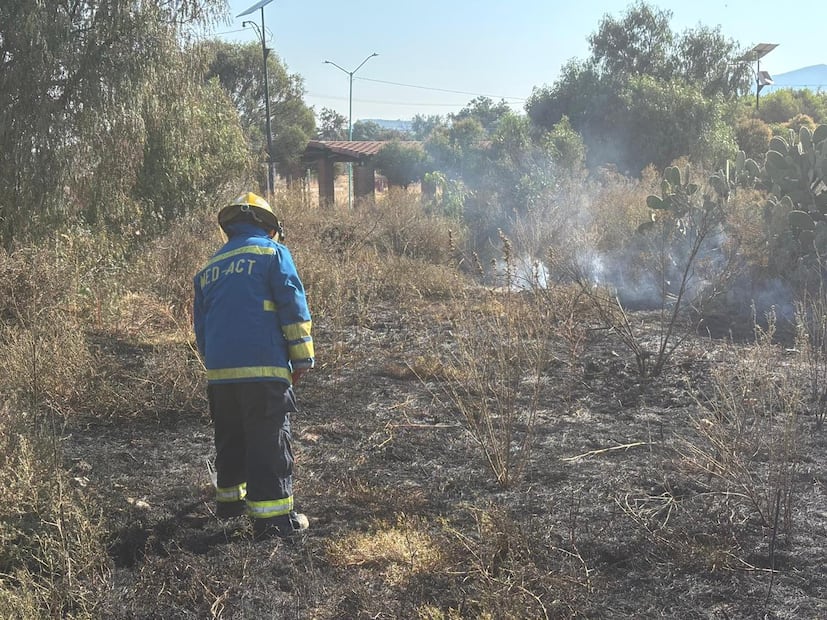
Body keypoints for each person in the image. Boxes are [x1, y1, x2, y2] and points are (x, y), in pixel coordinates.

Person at [193, 192, 314, 539]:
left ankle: (230, 510)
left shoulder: (208, 269)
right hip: (263, 369)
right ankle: (275, 521)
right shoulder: (273, 254)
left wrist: (218, 364)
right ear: (268, 226)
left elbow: (202, 329)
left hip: (220, 374)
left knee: (230, 440)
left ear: (229, 228)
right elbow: (292, 304)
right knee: (268, 442)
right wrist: (301, 357)